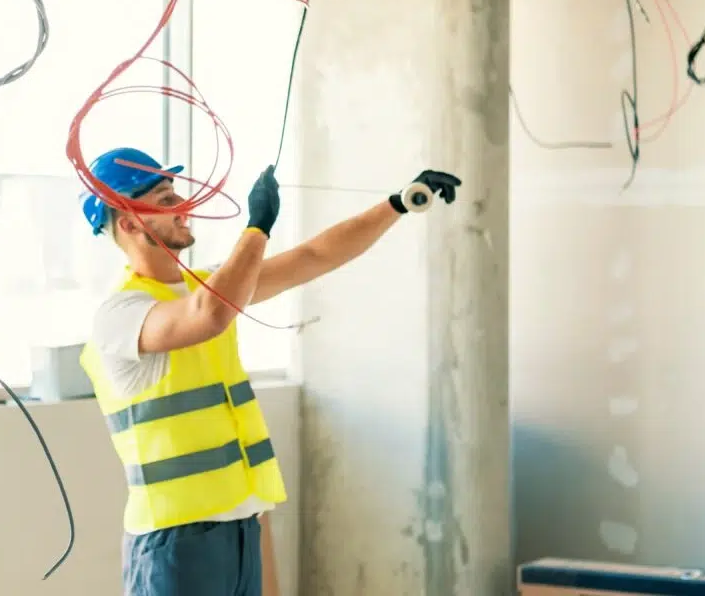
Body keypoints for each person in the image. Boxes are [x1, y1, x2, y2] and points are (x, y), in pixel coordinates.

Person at [77, 146, 461, 596]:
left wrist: (398, 203)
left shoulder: (209, 286)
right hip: (174, 538)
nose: (184, 208)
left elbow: (314, 256)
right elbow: (207, 316)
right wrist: (256, 229)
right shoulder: (122, 312)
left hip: (240, 521)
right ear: (129, 221)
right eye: (166, 202)